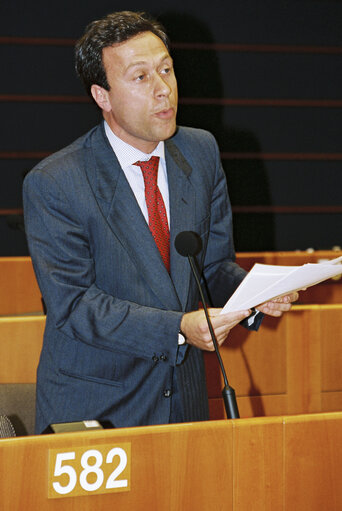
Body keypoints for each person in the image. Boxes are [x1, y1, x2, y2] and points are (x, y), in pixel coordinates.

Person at [23, 11, 297, 434]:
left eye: (166, 69)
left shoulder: (201, 152)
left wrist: (254, 295)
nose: (163, 89)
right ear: (103, 96)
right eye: (140, 77)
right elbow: (74, 305)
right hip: (99, 404)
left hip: (184, 400)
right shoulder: (56, 182)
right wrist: (179, 328)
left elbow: (210, 267)